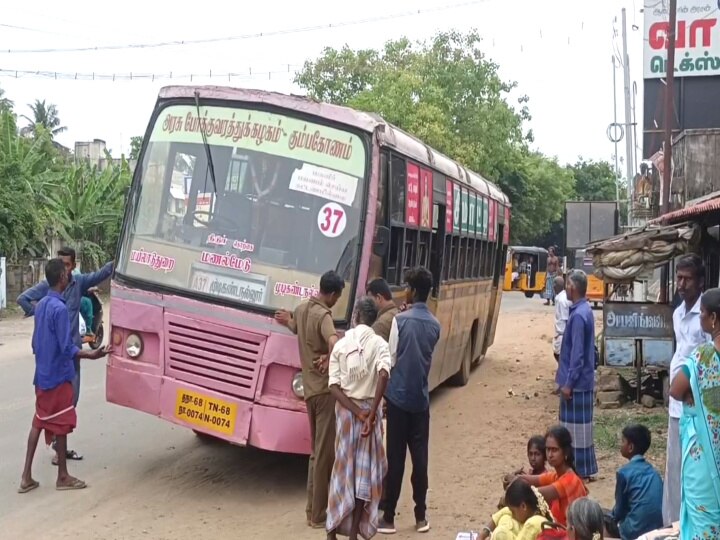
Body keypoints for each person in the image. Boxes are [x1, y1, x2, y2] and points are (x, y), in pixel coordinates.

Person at [18, 259, 110, 494]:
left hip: (42, 375)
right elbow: (67, 348)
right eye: (67, 270)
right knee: (62, 423)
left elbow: (36, 343)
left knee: (39, 421)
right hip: (59, 376)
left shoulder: (41, 306)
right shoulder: (59, 309)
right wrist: (93, 355)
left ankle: (26, 476)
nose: (70, 273)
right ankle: (63, 476)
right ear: (61, 278)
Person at [274, 270, 344, 528]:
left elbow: (295, 327)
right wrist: (329, 356)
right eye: (338, 297)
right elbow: (334, 340)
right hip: (325, 392)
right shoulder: (323, 315)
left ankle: (310, 511)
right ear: (334, 294)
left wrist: (286, 320)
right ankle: (318, 515)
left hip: (309, 392)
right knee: (324, 454)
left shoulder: (301, 309)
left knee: (316, 452)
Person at [377, 267, 441, 535]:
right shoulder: (435, 325)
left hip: (398, 399)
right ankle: (421, 515)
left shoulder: (399, 321)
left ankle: (388, 516)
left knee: (395, 458)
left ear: (412, 291)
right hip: (421, 402)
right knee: (420, 459)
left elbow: (390, 359)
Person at [326, 297, 392, 540]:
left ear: (355, 317)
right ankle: (353, 534)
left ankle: (331, 531)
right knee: (363, 477)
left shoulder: (342, 345)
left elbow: (333, 386)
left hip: (346, 413)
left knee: (341, 472)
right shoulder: (379, 344)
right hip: (369, 415)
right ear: (374, 319)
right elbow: (383, 375)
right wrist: (371, 413)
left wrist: (356, 412)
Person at [669, 287, 720, 539]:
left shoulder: (704, 355)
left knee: (703, 514)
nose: (700, 318)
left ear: (713, 319)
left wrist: (694, 396)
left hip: (703, 452)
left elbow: (676, 390)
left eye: (702, 314)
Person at [663, 254, 709, 526]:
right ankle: (672, 525)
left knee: (695, 471)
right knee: (675, 469)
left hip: (697, 408)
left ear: (700, 281)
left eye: (687, 278)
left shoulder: (708, 315)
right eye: (678, 277)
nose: (681, 284)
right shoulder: (678, 312)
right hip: (676, 407)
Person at [556, 269, 598, 480]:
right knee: (579, 429)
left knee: (574, 431)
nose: (565, 288)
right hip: (581, 382)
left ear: (573, 287)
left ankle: (578, 470)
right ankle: (582, 469)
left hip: (577, 384)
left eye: (567, 285)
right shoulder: (583, 310)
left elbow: (577, 355)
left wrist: (568, 383)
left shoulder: (579, 316)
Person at [518, 426, 588, 526]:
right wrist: (513, 479)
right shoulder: (556, 476)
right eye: (547, 449)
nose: (550, 455)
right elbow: (531, 480)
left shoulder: (570, 480)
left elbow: (533, 494)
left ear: (565, 452)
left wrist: (515, 487)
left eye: (554, 450)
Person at [603, 424, 664, 540]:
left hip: (633, 531)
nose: (620, 445)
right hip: (657, 528)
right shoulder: (654, 472)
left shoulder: (623, 473)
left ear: (630, 447)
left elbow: (619, 511)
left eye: (622, 441)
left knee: (600, 518)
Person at [479, 479, 554, 540]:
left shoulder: (532, 523)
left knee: (501, 533)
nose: (513, 515)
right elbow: (506, 511)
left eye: (513, 511)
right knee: (506, 517)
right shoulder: (537, 511)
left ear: (523, 506)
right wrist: (485, 531)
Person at [366, 278, 399, 343]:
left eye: (370, 300)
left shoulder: (380, 325)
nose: (369, 304)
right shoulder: (398, 313)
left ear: (378, 298)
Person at [553, 276, 571, 364]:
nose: (553, 286)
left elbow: (566, 319)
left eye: (554, 284)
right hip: (559, 333)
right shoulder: (560, 297)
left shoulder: (562, 300)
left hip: (562, 334)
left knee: (558, 355)